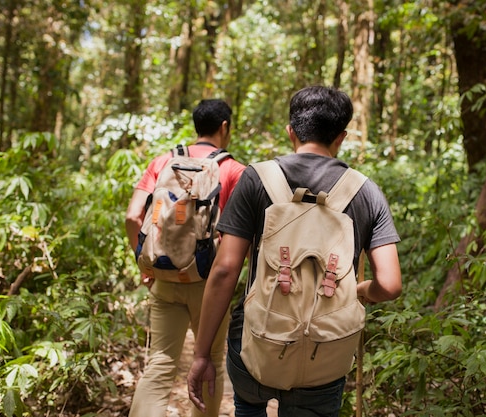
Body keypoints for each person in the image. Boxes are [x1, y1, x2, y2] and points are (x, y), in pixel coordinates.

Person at [187, 86, 403, 417]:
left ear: (291, 132)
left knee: (250, 407)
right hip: (325, 352)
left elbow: (225, 270)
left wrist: (202, 355)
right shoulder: (366, 191)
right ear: (341, 136)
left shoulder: (256, 179)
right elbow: (389, 285)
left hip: (257, 342)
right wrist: (360, 290)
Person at [125, 99, 246, 417]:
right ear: (224, 127)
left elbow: (133, 216)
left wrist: (145, 266)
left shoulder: (162, 161)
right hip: (210, 282)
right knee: (211, 364)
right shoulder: (233, 170)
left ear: (196, 126)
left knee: (160, 364)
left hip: (164, 276)